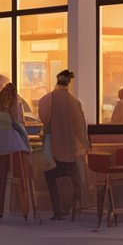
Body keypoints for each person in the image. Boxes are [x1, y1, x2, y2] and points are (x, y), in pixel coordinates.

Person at [40, 70, 89, 221]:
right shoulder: (75, 101)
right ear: (69, 82)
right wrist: (85, 146)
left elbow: (45, 120)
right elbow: (81, 127)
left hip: (54, 151)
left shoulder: (48, 99)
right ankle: (77, 209)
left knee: (50, 177)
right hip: (72, 153)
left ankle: (58, 211)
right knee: (76, 181)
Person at [0, 81, 34, 219]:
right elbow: (18, 123)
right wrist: (27, 143)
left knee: (1, 178)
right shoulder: (16, 103)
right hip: (15, 145)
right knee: (21, 178)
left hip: (0, 144)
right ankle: (24, 209)